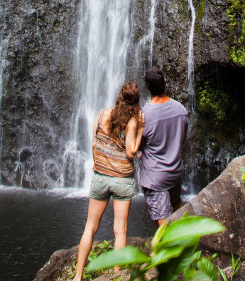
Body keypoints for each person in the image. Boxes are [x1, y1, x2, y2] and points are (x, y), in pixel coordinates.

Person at [72, 82, 143, 281]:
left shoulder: (102, 114)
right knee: (120, 230)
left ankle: (78, 275)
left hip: (100, 177)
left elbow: (94, 143)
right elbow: (131, 152)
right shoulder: (131, 122)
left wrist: (98, 165)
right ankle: (117, 273)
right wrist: (139, 133)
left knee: (90, 227)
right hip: (122, 179)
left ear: (119, 96)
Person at [139, 66, 188, 226]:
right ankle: (187, 239)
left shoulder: (144, 114)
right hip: (174, 171)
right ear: (165, 82)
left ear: (146, 87)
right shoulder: (181, 109)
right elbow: (182, 139)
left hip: (155, 176)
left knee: (161, 217)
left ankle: (171, 249)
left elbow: (138, 146)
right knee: (177, 205)